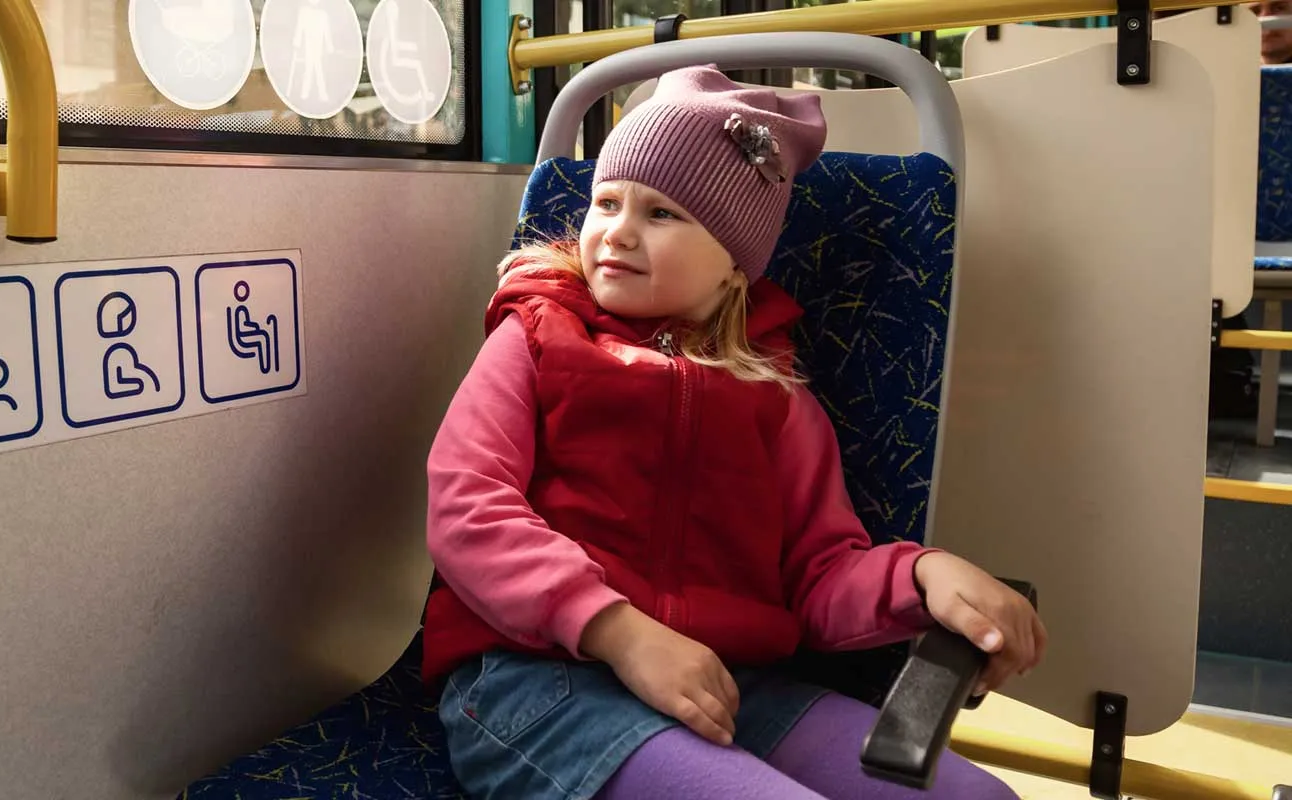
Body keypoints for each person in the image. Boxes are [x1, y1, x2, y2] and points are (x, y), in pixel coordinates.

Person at [422, 66, 1046, 800]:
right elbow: (468, 507)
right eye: (607, 202)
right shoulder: (536, 337)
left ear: (732, 266)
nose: (617, 231)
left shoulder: (774, 397)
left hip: (728, 679)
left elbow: (819, 575)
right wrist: (620, 632)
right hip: (538, 678)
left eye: (663, 213)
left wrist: (920, 578)